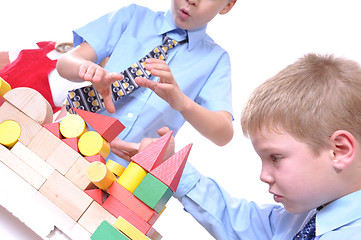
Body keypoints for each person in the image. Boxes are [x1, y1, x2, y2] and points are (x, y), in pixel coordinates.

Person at [122, 53, 361, 239]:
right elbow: (235, 220)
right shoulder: (297, 219)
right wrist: (171, 166)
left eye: (275, 158)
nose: (263, 175)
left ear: (339, 150)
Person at [56, 0, 236, 166]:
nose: (193, 0)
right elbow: (66, 62)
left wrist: (183, 103)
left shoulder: (216, 60)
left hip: (120, 174)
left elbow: (223, 134)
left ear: (227, 5)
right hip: (68, 134)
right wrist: (87, 68)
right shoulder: (132, 16)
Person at [0, 41, 89, 120]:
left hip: (7, 121)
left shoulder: (85, 86)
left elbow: (57, 130)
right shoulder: (53, 46)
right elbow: (4, 59)